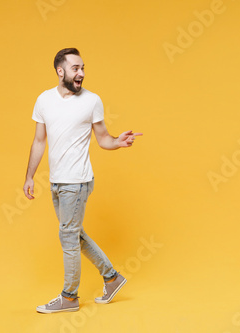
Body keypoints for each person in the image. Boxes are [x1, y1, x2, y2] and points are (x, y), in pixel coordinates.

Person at [23, 48, 143, 314]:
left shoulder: (92, 101)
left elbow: (103, 139)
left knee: (67, 236)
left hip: (76, 181)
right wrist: (30, 176)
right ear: (60, 71)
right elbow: (39, 140)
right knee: (73, 234)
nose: (82, 74)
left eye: (83, 68)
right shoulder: (44, 100)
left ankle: (70, 297)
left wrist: (118, 143)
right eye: (76, 68)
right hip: (57, 181)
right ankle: (112, 278)